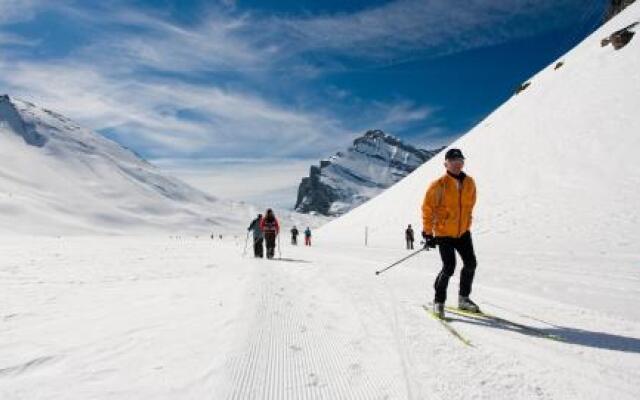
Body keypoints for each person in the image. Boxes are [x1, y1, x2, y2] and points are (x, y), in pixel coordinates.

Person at [421, 148, 479, 318]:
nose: (457, 164)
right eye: (453, 161)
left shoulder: (470, 183)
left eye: (460, 161)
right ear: (446, 163)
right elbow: (427, 209)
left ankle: (463, 298)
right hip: (444, 233)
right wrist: (428, 232)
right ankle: (439, 301)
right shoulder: (438, 185)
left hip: (463, 232)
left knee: (470, 264)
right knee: (449, 266)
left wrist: (465, 222)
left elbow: (470, 205)